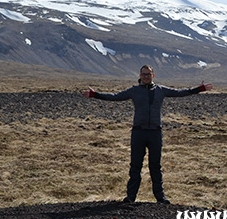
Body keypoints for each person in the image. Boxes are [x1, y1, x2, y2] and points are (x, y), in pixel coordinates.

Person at [82, 65, 213, 204]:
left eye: (148, 74)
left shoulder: (161, 90)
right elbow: (115, 97)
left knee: (155, 166)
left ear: (153, 75)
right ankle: (131, 197)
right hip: (138, 132)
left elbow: (181, 92)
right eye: (143, 74)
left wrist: (200, 89)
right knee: (135, 166)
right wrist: (95, 94)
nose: (146, 76)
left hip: (155, 133)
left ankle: (160, 198)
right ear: (140, 76)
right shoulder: (134, 91)